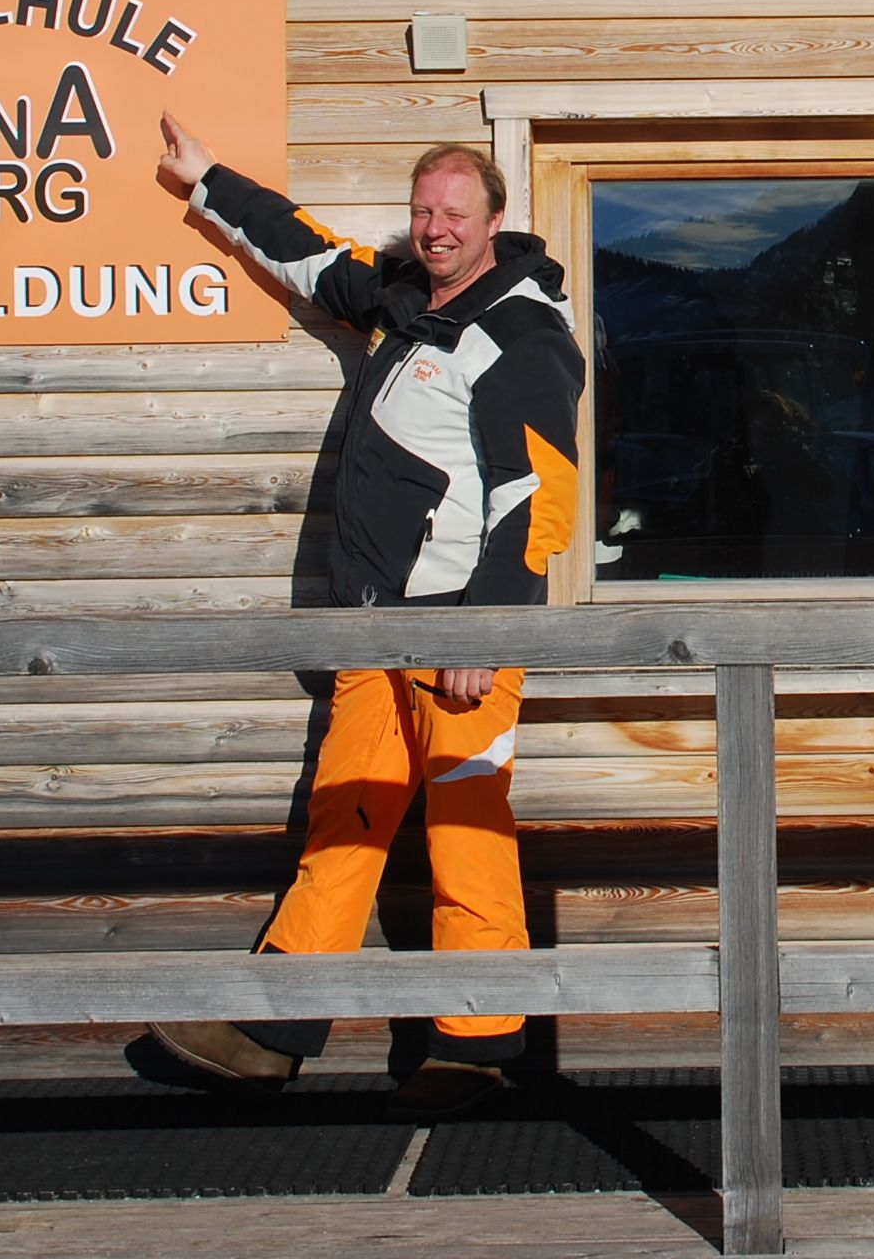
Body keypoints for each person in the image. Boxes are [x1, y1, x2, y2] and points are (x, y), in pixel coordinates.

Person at [144, 118, 583, 1121]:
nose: (434, 229)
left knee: (468, 833)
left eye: (453, 214)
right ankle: (273, 1029)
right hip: (370, 631)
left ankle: (479, 1047)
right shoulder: (400, 298)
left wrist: (490, 633)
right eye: (423, 211)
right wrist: (206, 178)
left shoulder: (522, 335)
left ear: (494, 220)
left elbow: (539, 499)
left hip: (462, 637)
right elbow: (305, 253)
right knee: (344, 818)